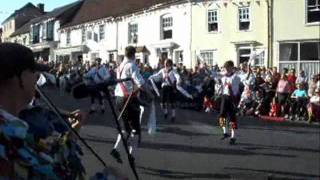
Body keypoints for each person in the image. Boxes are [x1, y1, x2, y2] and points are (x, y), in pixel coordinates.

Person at [0, 43, 87, 179]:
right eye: (32, 71)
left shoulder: (14, 128)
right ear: (19, 78)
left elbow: (44, 154)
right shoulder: (7, 141)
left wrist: (72, 132)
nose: (36, 77)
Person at [110, 46, 154, 163]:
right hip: (128, 100)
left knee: (126, 128)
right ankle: (131, 156)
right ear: (134, 55)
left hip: (119, 98)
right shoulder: (132, 66)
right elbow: (140, 83)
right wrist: (150, 94)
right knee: (136, 130)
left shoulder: (119, 67)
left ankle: (116, 149)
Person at [218, 60, 241, 145]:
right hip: (225, 97)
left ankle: (233, 136)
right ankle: (225, 133)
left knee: (232, 118)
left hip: (232, 98)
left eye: (228, 67)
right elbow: (216, 76)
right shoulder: (223, 77)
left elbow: (245, 77)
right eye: (225, 68)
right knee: (221, 115)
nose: (226, 69)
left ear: (232, 68)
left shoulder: (236, 77)